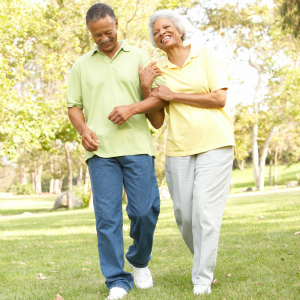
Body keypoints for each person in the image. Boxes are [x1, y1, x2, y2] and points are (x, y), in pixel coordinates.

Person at [66, 3, 167, 300]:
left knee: (145, 209)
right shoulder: (81, 65)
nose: (103, 39)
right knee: (107, 219)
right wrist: (84, 131)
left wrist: (133, 106)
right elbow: (74, 106)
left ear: (117, 24)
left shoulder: (140, 57)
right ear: (90, 34)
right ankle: (117, 281)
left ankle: (138, 260)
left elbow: (160, 101)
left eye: (107, 32)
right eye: (96, 36)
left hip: (137, 147)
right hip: (101, 154)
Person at [142, 9, 235, 296]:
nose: (161, 33)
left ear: (180, 30)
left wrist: (175, 96)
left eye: (166, 27)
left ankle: (202, 279)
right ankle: (204, 260)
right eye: (156, 32)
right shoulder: (158, 70)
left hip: (215, 143)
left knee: (205, 214)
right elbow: (157, 121)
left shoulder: (204, 55)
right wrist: (147, 87)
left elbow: (219, 98)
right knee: (184, 215)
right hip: (179, 149)